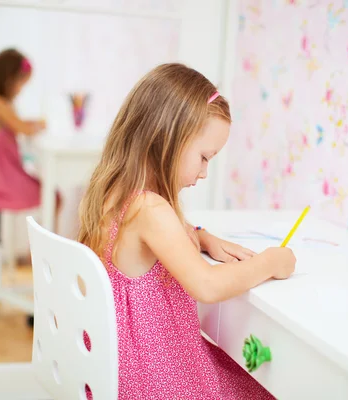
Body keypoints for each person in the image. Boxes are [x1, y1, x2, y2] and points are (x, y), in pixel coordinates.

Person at [78, 63, 296, 399]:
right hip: (152, 377)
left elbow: (155, 238)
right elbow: (207, 286)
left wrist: (202, 236)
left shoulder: (116, 192)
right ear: (167, 138)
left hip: (115, 364)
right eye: (204, 157)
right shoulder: (151, 209)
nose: (205, 172)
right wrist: (271, 262)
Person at [0, 48, 60, 224]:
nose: (21, 89)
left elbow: (17, 124)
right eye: (21, 83)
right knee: (54, 197)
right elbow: (23, 128)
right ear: (8, 79)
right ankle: (40, 251)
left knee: (51, 194)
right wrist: (40, 124)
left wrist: (33, 123)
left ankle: (36, 250)